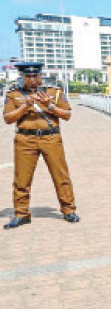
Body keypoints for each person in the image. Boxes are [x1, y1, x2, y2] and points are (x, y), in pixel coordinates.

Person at [3, 61, 79, 229]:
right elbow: (8, 118)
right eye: (28, 76)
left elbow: (66, 115)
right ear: (22, 77)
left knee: (61, 176)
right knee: (21, 179)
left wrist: (49, 106)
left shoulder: (55, 92)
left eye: (35, 76)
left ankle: (68, 209)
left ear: (41, 76)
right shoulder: (14, 94)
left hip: (50, 138)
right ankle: (21, 214)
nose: (32, 79)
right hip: (25, 139)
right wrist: (26, 105)